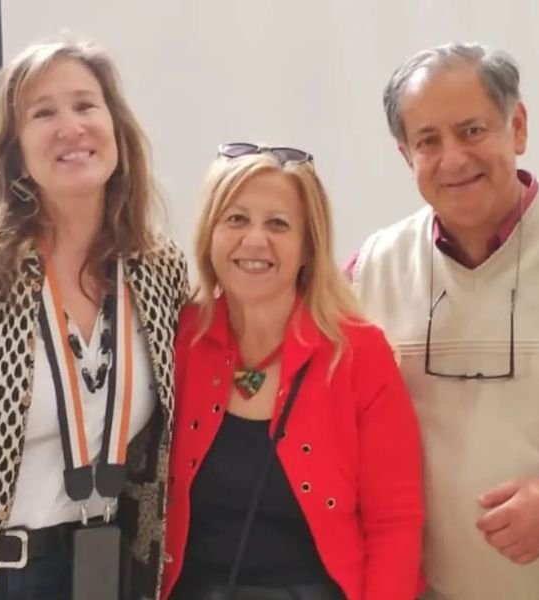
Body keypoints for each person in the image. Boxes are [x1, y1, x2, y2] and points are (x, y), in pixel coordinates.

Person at [0, 37, 188, 600]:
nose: (71, 127)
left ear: (116, 128)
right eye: (43, 113)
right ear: (15, 150)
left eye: (86, 105)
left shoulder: (158, 269)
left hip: (112, 569)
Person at [160, 143, 424, 600]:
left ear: (308, 247)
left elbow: (395, 522)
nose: (254, 240)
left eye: (278, 224)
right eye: (236, 219)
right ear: (209, 235)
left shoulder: (359, 354)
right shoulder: (178, 339)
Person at [350, 43, 539, 600]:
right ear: (406, 156)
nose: (453, 159)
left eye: (472, 131)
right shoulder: (371, 270)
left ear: (517, 127)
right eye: (428, 141)